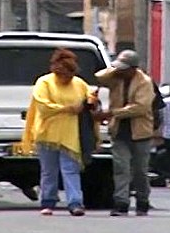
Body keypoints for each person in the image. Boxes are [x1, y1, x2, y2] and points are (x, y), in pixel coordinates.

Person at [21, 48, 98, 217]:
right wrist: (69, 108)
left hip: (70, 135)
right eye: (64, 75)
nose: (67, 79)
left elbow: (89, 97)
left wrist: (92, 101)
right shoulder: (45, 83)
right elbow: (43, 106)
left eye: (70, 75)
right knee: (49, 170)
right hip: (47, 134)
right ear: (56, 71)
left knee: (70, 169)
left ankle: (75, 203)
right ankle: (48, 202)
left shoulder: (78, 83)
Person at [94, 49, 155, 217]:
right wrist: (114, 69)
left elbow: (140, 107)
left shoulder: (144, 82)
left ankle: (143, 201)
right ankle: (121, 202)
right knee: (121, 168)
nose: (121, 71)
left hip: (140, 132)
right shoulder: (116, 78)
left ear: (133, 68)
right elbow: (99, 77)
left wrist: (113, 113)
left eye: (124, 68)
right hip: (119, 131)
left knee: (140, 170)